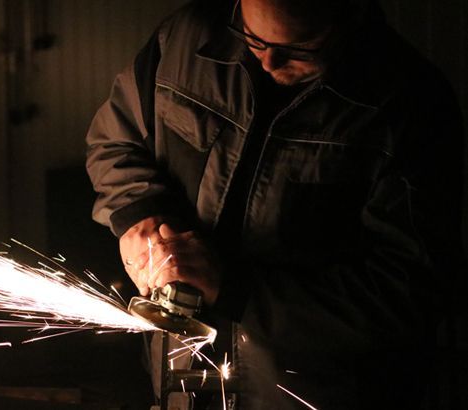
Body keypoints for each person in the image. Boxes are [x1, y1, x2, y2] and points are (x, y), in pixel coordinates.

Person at [85, 0, 466, 408]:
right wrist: (138, 212)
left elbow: (406, 292)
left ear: (352, 15)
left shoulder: (410, 108)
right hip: (182, 383)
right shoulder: (184, 40)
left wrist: (238, 292)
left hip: (306, 394)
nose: (268, 60)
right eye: (252, 37)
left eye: (299, 48)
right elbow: (116, 142)